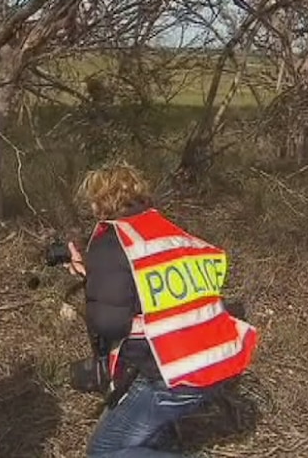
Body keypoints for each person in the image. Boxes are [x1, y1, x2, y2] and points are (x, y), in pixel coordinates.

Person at [65, 162, 258, 458]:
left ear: (99, 202)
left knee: (104, 452)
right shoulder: (168, 232)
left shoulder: (110, 242)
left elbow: (109, 324)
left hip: (173, 375)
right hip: (220, 360)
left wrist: (94, 279)